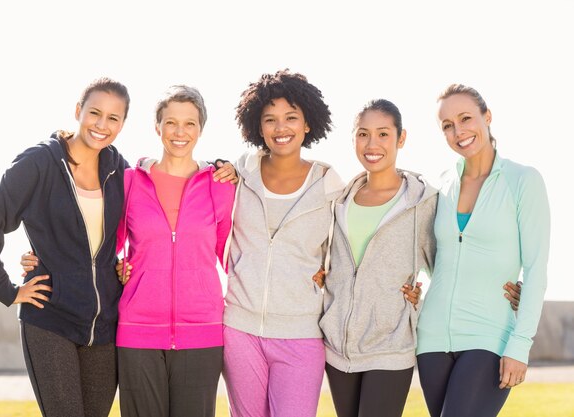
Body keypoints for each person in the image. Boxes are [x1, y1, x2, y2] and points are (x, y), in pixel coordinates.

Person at [0, 77, 131, 417]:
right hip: (51, 318)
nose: (102, 125)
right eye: (94, 113)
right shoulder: (41, 162)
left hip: (105, 325)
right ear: (77, 111)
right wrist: (7, 289)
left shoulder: (119, 169)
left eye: (113, 118)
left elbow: (147, 224)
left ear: (123, 123)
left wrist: (124, 265)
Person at [416, 84, 550, 417]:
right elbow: (440, 261)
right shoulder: (442, 185)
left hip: (489, 334)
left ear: (487, 117)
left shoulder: (523, 181)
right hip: (432, 338)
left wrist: (520, 346)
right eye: (447, 125)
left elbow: (536, 269)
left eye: (465, 118)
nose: (458, 131)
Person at [221, 69, 345, 417]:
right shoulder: (239, 174)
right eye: (270, 119)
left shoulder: (329, 185)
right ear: (257, 127)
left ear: (308, 123)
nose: (281, 128)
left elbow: (349, 251)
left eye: (291, 117)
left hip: (300, 334)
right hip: (240, 330)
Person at [113, 85, 235, 417]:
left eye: (189, 124)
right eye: (171, 123)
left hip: (203, 332)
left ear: (200, 130)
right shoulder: (129, 182)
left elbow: (234, 258)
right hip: (137, 333)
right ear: (157, 127)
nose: (179, 133)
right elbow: (104, 245)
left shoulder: (221, 187)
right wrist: (118, 267)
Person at [319, 99, 437, 417]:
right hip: (338, 347)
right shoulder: (338, 200)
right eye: (363, 134)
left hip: (390, 344)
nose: (372, 144)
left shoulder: (422, 202)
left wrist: (418, 302)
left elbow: (447, 268)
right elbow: (318, 253)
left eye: (383, 134)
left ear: (401, 139)